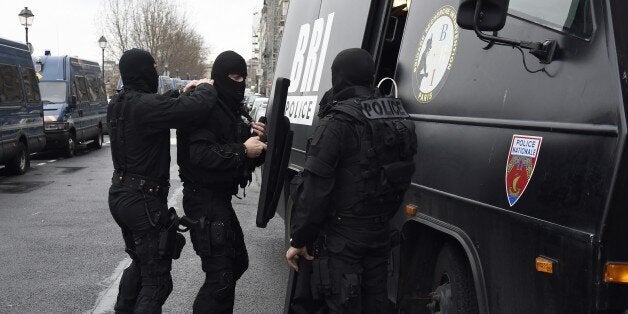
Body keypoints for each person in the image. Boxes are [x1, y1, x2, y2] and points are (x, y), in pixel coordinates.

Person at [285, 48, 418, 313]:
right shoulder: (396, 115)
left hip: (343, 239)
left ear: (339, 77)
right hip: (380, 232)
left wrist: (298, 240)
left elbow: (315, 190)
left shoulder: (337, 121)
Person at [108, 48, 218, 313]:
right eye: (153, 68)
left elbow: (159, 106)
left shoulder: (119, 102)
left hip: (121, 195)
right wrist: (205, 88)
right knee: (157, 281)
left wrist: (180, 91)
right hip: (143, 200)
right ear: (144, 72)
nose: (156, 73)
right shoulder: (143, 106)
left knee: (141, 265)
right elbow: (193, 109)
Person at [176, 50, 267, 313]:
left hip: (218, 200)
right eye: (234, 77)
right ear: (220, 77)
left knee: (236, 264)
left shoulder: (230, 109)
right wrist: (242, 150)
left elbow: (237, 155)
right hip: (203, 200)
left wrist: (255, 144)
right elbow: (200, 154)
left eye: (243, 77)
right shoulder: (206, 107)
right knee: (221, 276)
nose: (240, 83)